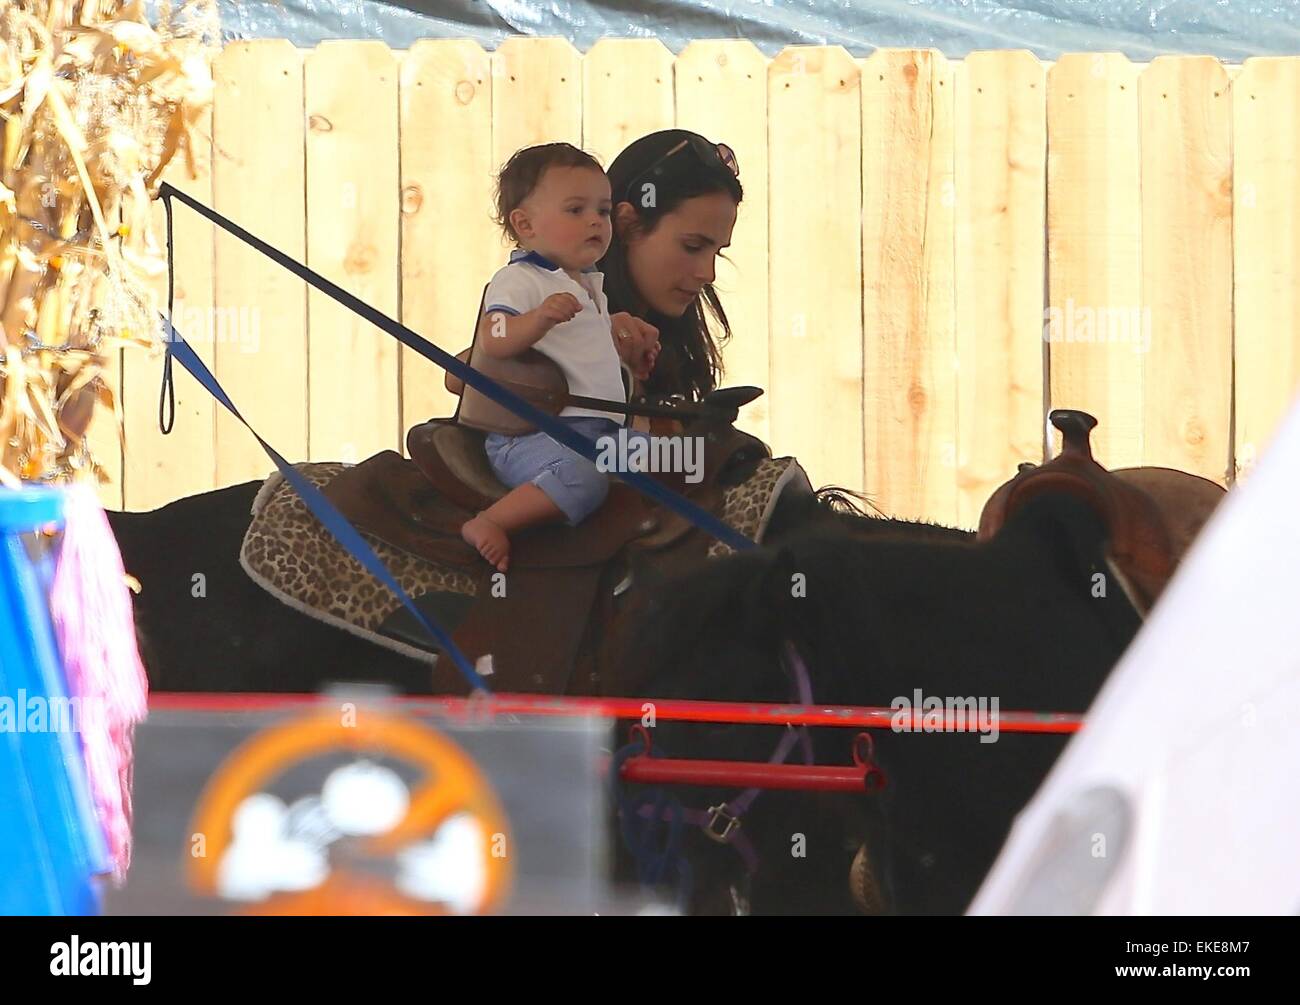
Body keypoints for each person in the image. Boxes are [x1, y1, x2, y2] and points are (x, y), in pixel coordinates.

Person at [454, 132, 743, 569]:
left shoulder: (599, 300)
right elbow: (461, 372)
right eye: (692, 246)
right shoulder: (552, 292)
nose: (707, 272)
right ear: (627, 224)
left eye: (716, 252)